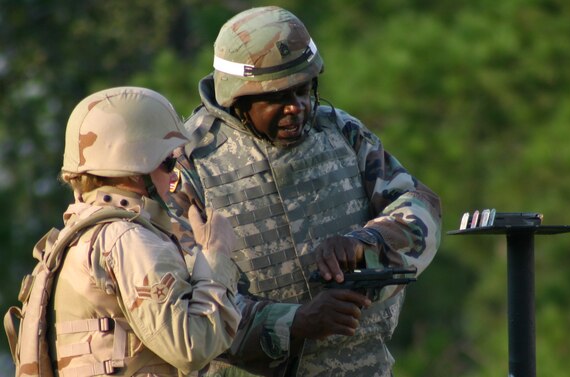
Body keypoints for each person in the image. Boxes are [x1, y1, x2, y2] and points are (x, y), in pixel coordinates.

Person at [169, 6, 442, 377]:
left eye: (302, 90)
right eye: (278, 97)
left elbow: (420, 208)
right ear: (238, 98)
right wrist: (293, 322)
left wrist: (367, 241)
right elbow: (182, 302)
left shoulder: (341, 132)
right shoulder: (191, 164)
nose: (295, 108)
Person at [49, 87, 241, 376]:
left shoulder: (79, 232)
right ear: (134, 169)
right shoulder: (127, 239)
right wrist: (215, 254)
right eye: (168, 162)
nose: (176, 175)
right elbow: (191, 347)